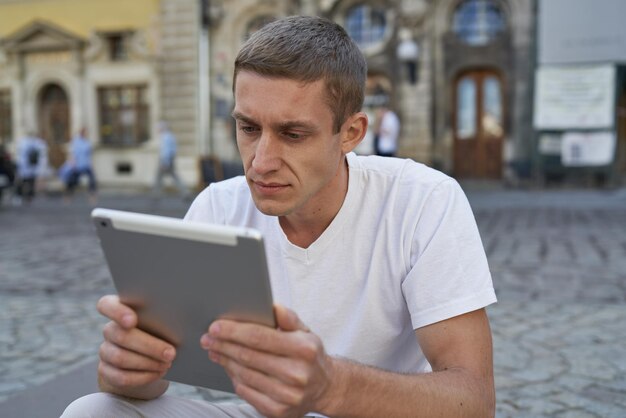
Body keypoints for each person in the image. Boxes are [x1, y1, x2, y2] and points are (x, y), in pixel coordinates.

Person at [64, 16, 496, 418]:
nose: (261, 161)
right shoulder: (217, 207)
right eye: (248, 128)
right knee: (92, 410)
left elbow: (473, 399)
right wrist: (127, 370)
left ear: (351, 133)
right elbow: (149, 377)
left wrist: (332, 387)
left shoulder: (422, 200)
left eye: (292, 134)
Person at [153, 121, 189, 198]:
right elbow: (174, 149)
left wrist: (165, 162)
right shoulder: (171, 136)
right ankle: (185, 191)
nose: (158, 130)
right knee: (173, 176)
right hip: (170, 159)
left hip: (165, 160)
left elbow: (166, 151)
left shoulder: (166, 137)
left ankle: (156, 194)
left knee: (159, 177)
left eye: (159, 128)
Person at [64, 128, 97, 202]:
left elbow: (89, 155)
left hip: (86, 164)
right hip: (78, 165)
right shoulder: (76, 142)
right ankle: (68, 195)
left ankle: (92, 196)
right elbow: (72, 153)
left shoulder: (87, 142)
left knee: (92, 180)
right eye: (85, 133)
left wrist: (91, 164)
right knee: (72, 180)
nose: (86, 134)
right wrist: (72, 163)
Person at [14, 131, 47, 204]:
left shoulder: (31, 142)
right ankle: (24, 196)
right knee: (25, 182)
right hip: (27, 167)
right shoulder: (34, 143)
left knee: (28, 182)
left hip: (29, 167)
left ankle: (27, 196)